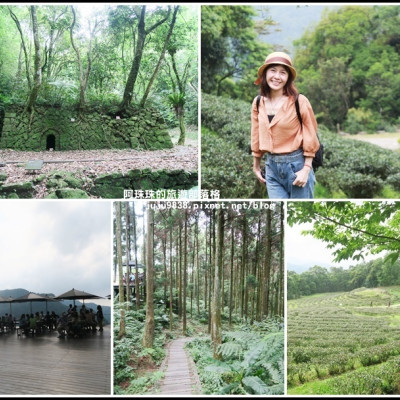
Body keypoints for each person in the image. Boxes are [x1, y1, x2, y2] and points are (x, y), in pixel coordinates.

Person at [251, 51, 320, 199]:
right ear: (265, 74)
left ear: (288, 78)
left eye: (283, 72)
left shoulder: (299, 101)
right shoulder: (258, 102)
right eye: (273, 70)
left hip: (296, 166)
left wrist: (306, 169)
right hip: (271, 168)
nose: (277, 76)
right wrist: (256, 164)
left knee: (299, 211)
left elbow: (310, 134)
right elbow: (256, 134)